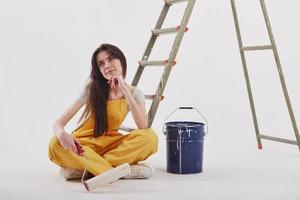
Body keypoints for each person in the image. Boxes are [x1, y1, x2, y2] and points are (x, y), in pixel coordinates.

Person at [48, 43, 158, 181]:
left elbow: (143, 126)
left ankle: (89, 169)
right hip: (86, 146)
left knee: (150, 138)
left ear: (121, 60)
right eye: (101, 64)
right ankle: (117, 171)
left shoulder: (135, 93)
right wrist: (62, 135)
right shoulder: (91, 89)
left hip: (112, 146)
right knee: (54, 143)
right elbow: (58, 123)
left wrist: (124, 89)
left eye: (111, 59)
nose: (107, 65)